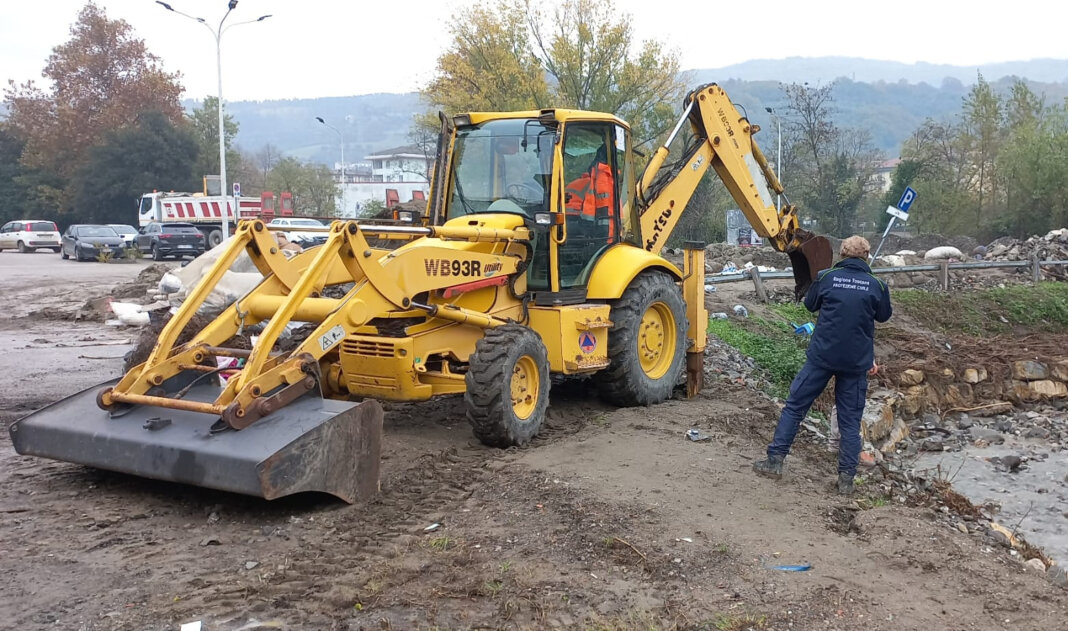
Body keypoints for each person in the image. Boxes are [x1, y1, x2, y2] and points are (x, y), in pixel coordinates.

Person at [752, 235, 892, 495]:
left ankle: (775, 461)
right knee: (850, 422)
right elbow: (883, 316)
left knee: (795, 407)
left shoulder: (827, 277)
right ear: (867, 256)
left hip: (822, 358)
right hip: (855, 363)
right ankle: (846, 480)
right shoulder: (877, 285)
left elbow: (809, 304)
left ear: (842, 254)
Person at [564, 146, 616, 241]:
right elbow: (592, 210)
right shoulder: (600, 180)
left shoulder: (575, 183)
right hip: (598, 232)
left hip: (565, 223)